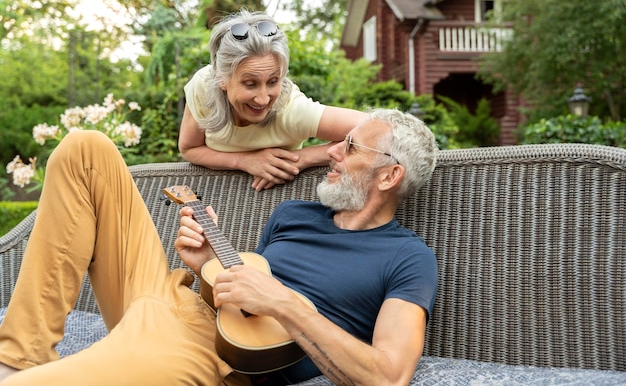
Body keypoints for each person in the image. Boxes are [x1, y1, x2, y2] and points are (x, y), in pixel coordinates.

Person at [0, 108, 438, 386]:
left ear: (389, 176)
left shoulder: (407, 258)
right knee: (86, 149)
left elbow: (389, 375)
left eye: (350, 146)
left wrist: (287, 305)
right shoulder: (295, 214)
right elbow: (241, 306)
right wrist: (209, 265)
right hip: (171, 300)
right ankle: (19, 355)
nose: (332, 154)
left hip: (209, 357)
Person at [178, 9, 367, 192]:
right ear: (221, 78)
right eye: (250, 83)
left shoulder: (292, 110)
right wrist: (244, 160)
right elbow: (189, 148)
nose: (263, 99)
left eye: (273, 81)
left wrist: (302, 158)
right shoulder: (203, 86)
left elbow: (384, 131)